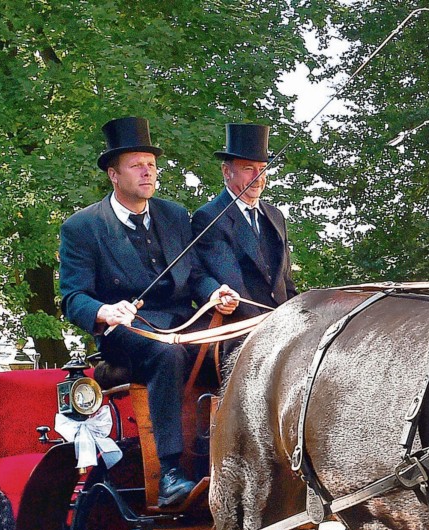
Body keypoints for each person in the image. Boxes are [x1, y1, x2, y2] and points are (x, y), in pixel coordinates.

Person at [59, 116, 240, 507]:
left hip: (183, 322)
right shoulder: (83, 227)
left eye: (152, 165)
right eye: (136, 165)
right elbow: (73, 298)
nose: (148, 172)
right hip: (125, 334)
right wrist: (106, 310)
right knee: (167, 354)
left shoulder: (174, 215)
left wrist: (216, 292)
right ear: (113, 174)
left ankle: (233, 461)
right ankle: (171, 472)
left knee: (240, 348)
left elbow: (195, 278)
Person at [191, 123, 297, 327]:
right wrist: (268, 328)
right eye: (248, 169)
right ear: (226, 171)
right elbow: (232, 281)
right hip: (242, 325)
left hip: (283, 320)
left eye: (262, 169)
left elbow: (286, 281)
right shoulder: (210, 217)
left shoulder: (275, 216)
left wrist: (299, 315)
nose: (257, 178)